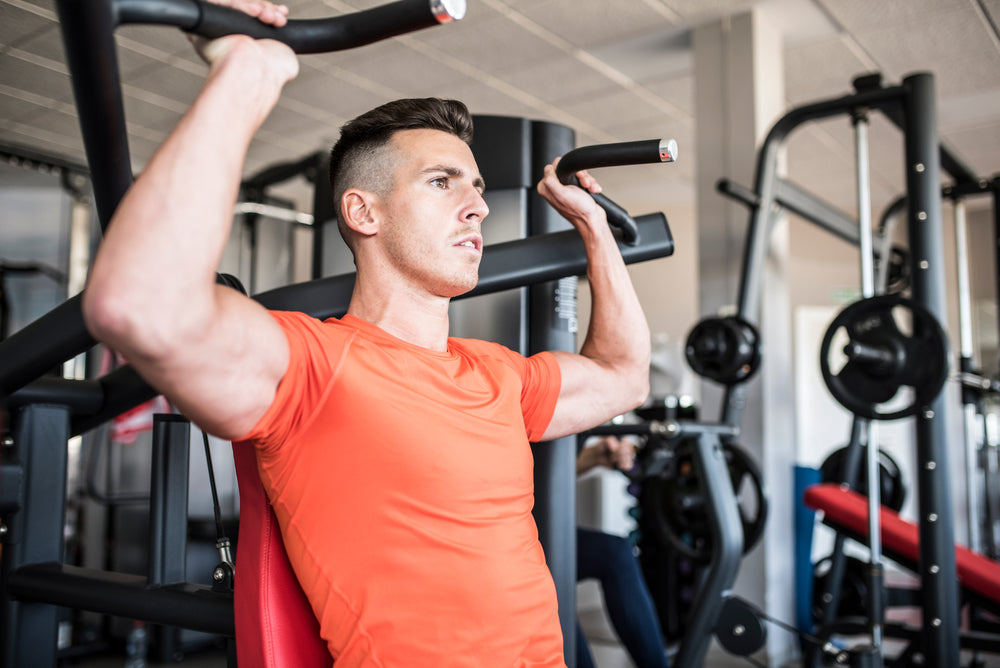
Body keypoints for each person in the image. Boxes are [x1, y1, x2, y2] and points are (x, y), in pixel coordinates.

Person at [81, 1, 651, 665]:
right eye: (442, 181)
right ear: (362, 212)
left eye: (477, 186)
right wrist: (250, 72)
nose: (479, 206)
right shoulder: (310, 366)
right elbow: (142, 305)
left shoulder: (498, 375)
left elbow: (622, 375)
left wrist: (594, 230)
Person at [576, 436, 669, 668]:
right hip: (500, 542)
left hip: (541, 529)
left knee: (614, 553)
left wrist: (594, 457)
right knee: (551, 576)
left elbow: (541, 462)